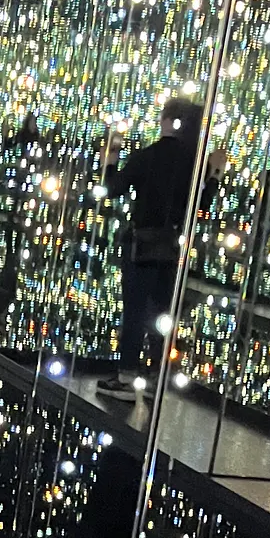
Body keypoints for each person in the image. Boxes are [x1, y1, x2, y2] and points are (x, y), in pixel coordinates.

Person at [98, 97, 223, 399]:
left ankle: (126, 377)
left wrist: (109, 162)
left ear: (166, 121)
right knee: (161, 313)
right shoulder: (195, 163)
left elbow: (111, 190)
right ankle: (156, 376)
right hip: (172, 247)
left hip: (141, 244)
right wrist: (215, 176)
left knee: (135, 312)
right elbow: (202, 207)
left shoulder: (147, 156)